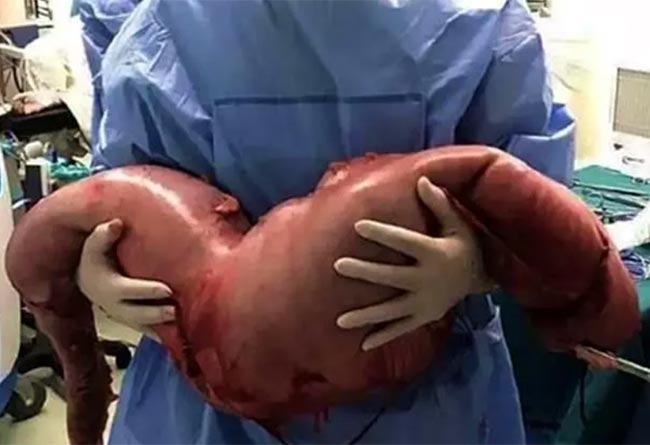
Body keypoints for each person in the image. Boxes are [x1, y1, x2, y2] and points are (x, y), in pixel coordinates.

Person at [77, 0, 575, 443]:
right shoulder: (161, 36)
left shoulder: (480, 27)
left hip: (422, 401)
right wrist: (95, 267)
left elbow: (538, 212)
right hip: (205, 396)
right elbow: (110, 196)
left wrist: (474, 265)